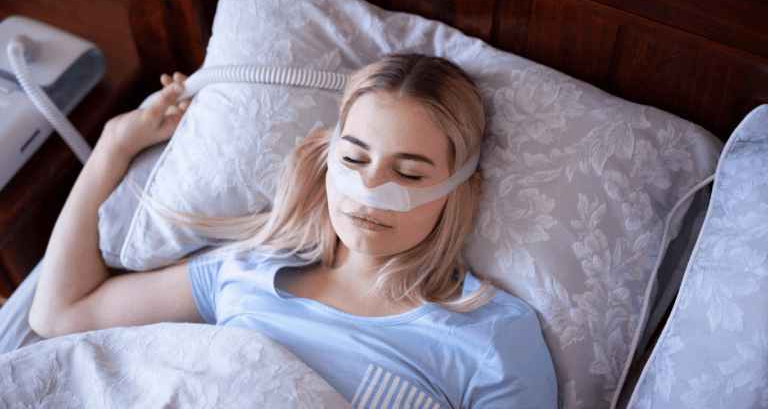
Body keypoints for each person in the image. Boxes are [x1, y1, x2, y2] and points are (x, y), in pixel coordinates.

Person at [29, 54, 557, 408]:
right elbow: (59, 315)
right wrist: (114, 145)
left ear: (463, 189)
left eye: (409, 173)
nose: (370, 188)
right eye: (354, 158)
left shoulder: (490, 338)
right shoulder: (244, 272)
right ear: (329, 156)